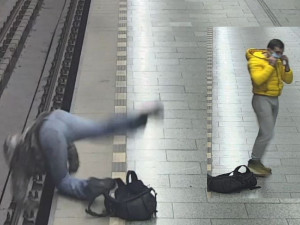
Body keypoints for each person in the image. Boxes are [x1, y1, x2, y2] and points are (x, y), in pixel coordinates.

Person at [3, 103, 163, 204]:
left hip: (50, 134)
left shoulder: (18, 163)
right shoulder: (28, 133)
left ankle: (93, 187)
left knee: (63, 181)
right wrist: (73, 160)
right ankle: (137, 119)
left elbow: (19, 195)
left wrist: (30, 202)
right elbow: (66, 144)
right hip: (57, 117)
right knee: (100, 128)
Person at [246, 39, 293, 176]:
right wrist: (270, 65)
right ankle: (253, 162)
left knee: (265, 132)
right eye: (277, 52)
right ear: (269, 50)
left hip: (274, 99)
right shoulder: (255, 60)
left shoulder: (278, 61)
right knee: (268, 133)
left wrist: (286, 65)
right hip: (261, 99)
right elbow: (258, 80)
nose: (279, 55)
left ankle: (257, 161)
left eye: (281, 53)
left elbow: (288, 80)